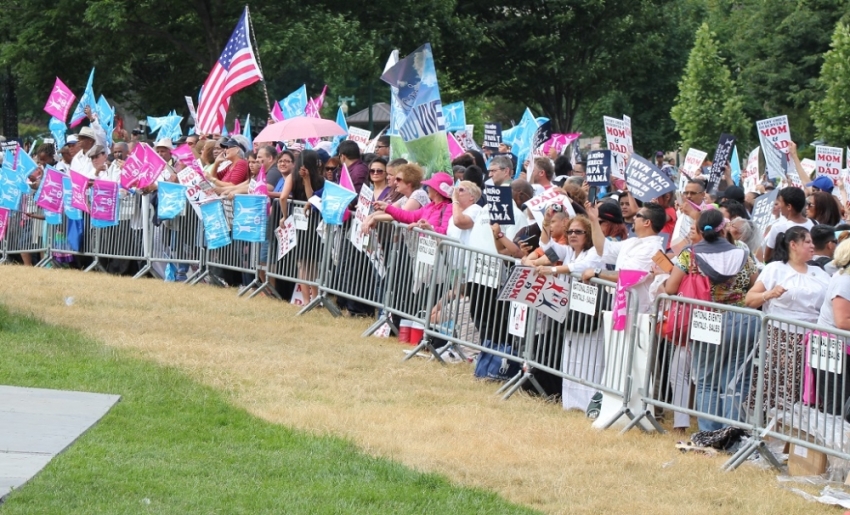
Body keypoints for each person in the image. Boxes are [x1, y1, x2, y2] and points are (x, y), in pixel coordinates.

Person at [665, 210, 759, 431]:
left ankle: (709, 432)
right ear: (723, 229)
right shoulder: (742, 254)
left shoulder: (690, 254)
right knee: (734, 381)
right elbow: (756, 285)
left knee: (707, 380)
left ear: (700, 231)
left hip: (706, 320)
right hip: (742, 320)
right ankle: (732, 433)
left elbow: (670, 287)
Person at [746, 226, 830, 414]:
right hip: (781, 339)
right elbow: (750, 299)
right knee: (781, 385)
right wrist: (769, 294)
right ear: (793, 244)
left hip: (813, 340)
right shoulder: (775, 269)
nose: (812, 246)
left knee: (807, 387)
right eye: (807, 241)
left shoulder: (820, 273)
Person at [582, 202, 667, 313]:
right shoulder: (632, 241)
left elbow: (628, 276)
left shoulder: (653, 249)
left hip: (638, 315)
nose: (633, 218)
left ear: (647, 222)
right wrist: (594, 220)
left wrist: (596, 272)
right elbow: (603, 249)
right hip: (622, 310)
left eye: (638, 216)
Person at [277, 150, 325, 303]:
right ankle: (314, 297)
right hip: (312, 223)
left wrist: (285, 216)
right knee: (310, 264)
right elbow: (286, 197)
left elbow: (284, 197)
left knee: (303, 265)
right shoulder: (320, 179)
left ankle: (307, 300)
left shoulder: (314, 179)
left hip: (302, 221)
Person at [815, 239, 850, 416]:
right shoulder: (844, 281)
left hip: (837, 348)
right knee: (835, 403)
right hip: (832, 348)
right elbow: (842, 321)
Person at [373, 172, 454, 235]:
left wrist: (429, 227)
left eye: (430, 186)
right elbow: (409, 216)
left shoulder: (449, 208)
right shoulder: (429, 206)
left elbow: (446, 231)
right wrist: (387, 207)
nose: (427, 188)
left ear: (436, 191)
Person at [764, 187, 812, 263]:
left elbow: (767, 257)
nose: (779, 205)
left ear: (789, 206)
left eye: (780, 202)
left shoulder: (778, 228)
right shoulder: (814, 224)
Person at [446, 181, 482, 245]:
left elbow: (459, 222)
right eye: (456, 189)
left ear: (472, 197)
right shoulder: (453, 217)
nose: (456, 192)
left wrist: (455, 199)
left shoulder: (476, 209)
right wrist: (430, 230)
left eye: (461, 190)